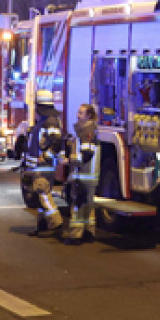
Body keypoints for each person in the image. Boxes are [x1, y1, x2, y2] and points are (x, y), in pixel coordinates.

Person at [60, 104, 99, 246]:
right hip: (89, 175)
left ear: (88, 115)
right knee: (88, 205)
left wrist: (69, 160)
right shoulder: (90, 129)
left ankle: (75, 235)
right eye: (78, 112)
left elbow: (86, 154)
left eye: (81, 113)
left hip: (83, 174)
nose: (78, 115)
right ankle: (89, 232)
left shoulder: (85, 130)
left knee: (77, 206)